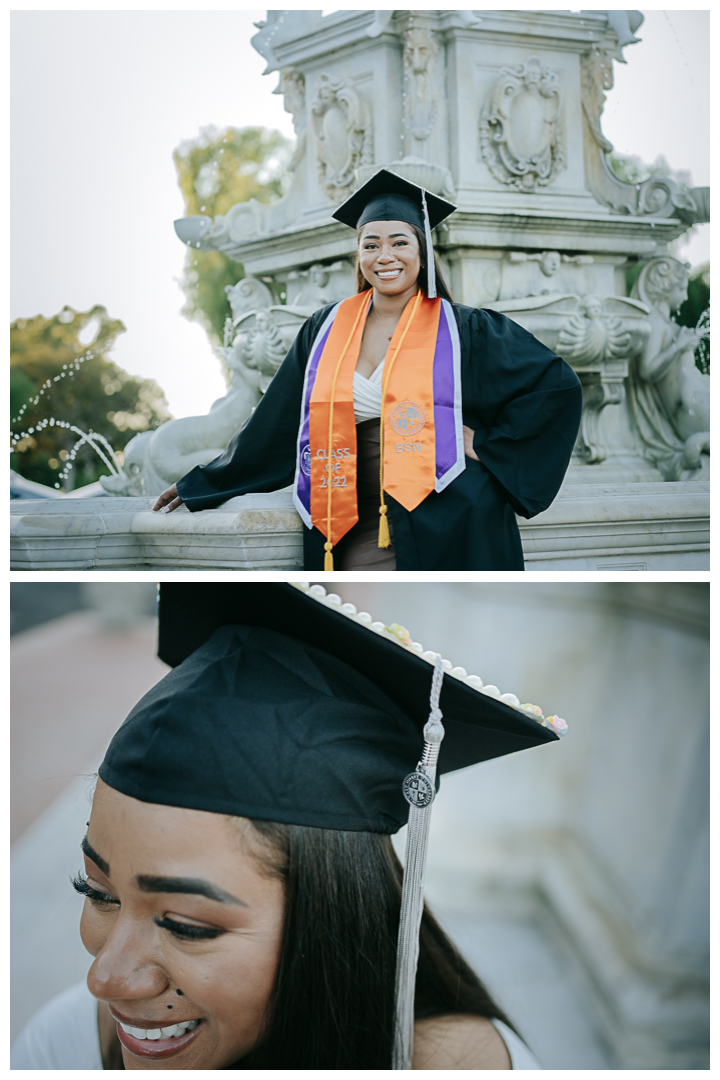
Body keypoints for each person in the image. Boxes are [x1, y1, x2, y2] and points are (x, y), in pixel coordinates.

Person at [11, 583, 568, 1069]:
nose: (104, 979)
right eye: (98, 892)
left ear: (335, 913)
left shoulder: (463, 1067)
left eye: (186, 924)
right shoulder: (67, 1048)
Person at [153, 169, 583, 570]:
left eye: (399, 242)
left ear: (422, 251)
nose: (385, 256)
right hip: (345, 510)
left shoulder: (464, 328)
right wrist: (202, 484)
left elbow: (557, 388)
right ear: (358, 253)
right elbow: (276, 420)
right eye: (371, 244)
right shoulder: (325, 328)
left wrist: (487, 444)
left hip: (449, 510)